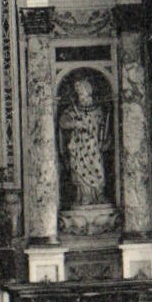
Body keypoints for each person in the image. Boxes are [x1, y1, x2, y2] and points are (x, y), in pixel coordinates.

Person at [58, 74, 109, 208]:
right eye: (78, 93)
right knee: (78, 169)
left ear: (88, 92)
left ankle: (98, 195)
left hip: (92, 145)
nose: (80, 95)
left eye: (82, 92)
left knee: (97, 168)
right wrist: (75, 124)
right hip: (78, 145)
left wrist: (102, 137)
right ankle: (84, 195)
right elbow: (63, 122)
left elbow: (103, 126)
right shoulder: (73, 110)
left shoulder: (97, 110)